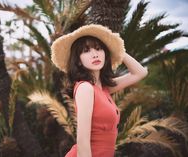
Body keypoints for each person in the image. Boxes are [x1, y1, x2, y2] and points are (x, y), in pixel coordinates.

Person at [51, 24, 148, 157]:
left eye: (99, 48)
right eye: (86, 51)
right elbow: (82, 141)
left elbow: (140, 72)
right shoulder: (85, 88)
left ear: (105, 53)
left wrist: (117, 48)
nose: (95, 54)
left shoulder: (104, 88)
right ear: (78, 61)